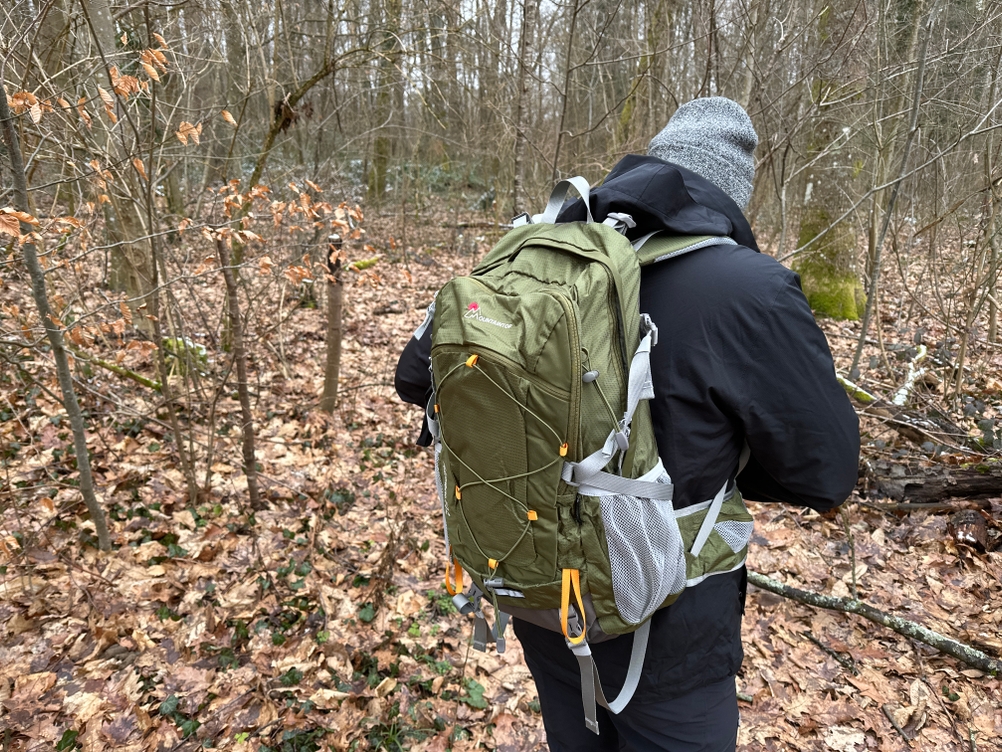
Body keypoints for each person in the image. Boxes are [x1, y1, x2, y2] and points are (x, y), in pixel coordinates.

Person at [395, 96, 860, 752]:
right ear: (730, 195)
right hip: (671, 620)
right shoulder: (750, 290)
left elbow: (414, 378)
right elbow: (828, 473)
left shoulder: (524, 259)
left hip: (538, 587)